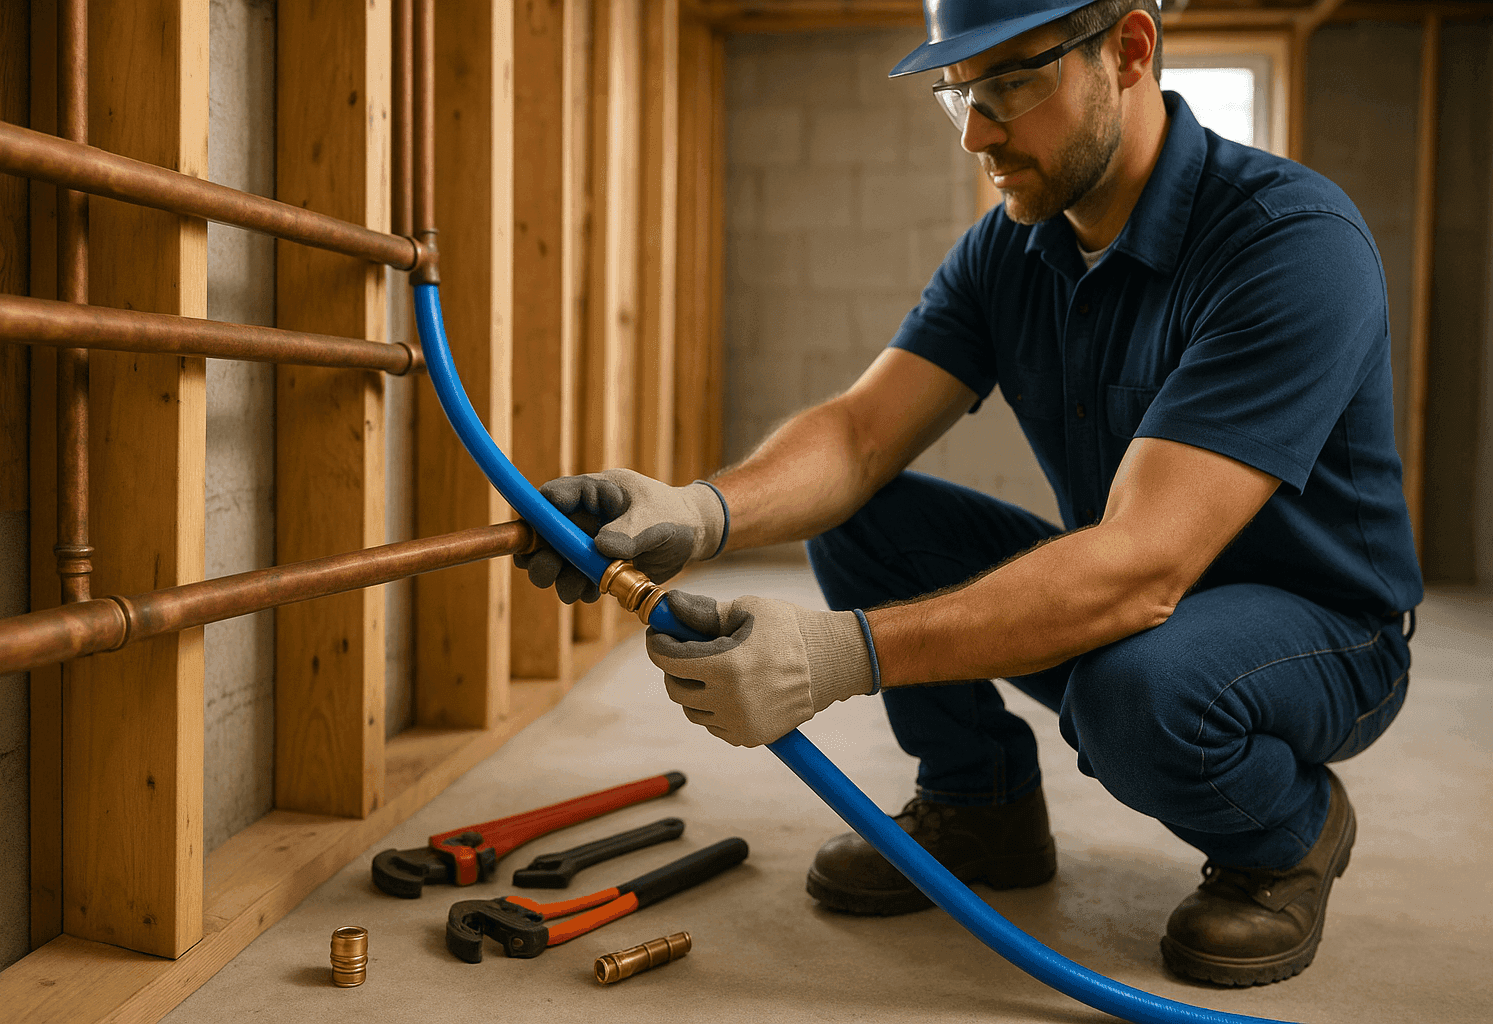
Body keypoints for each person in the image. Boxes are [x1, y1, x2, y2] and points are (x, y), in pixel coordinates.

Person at [515, 0, 1421, 988]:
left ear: (1128, 50)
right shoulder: (1012, 249)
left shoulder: (1287, 243)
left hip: (1323, 632)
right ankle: (980, 804)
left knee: (1138, 692)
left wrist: (840, 655)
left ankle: (1287, 830)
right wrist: (697, 511)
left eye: (1009, 86)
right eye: (959, 96)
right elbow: (860, 435)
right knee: (864, 515)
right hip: (1138, 591)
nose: (979, 132)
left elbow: (1145, 566)